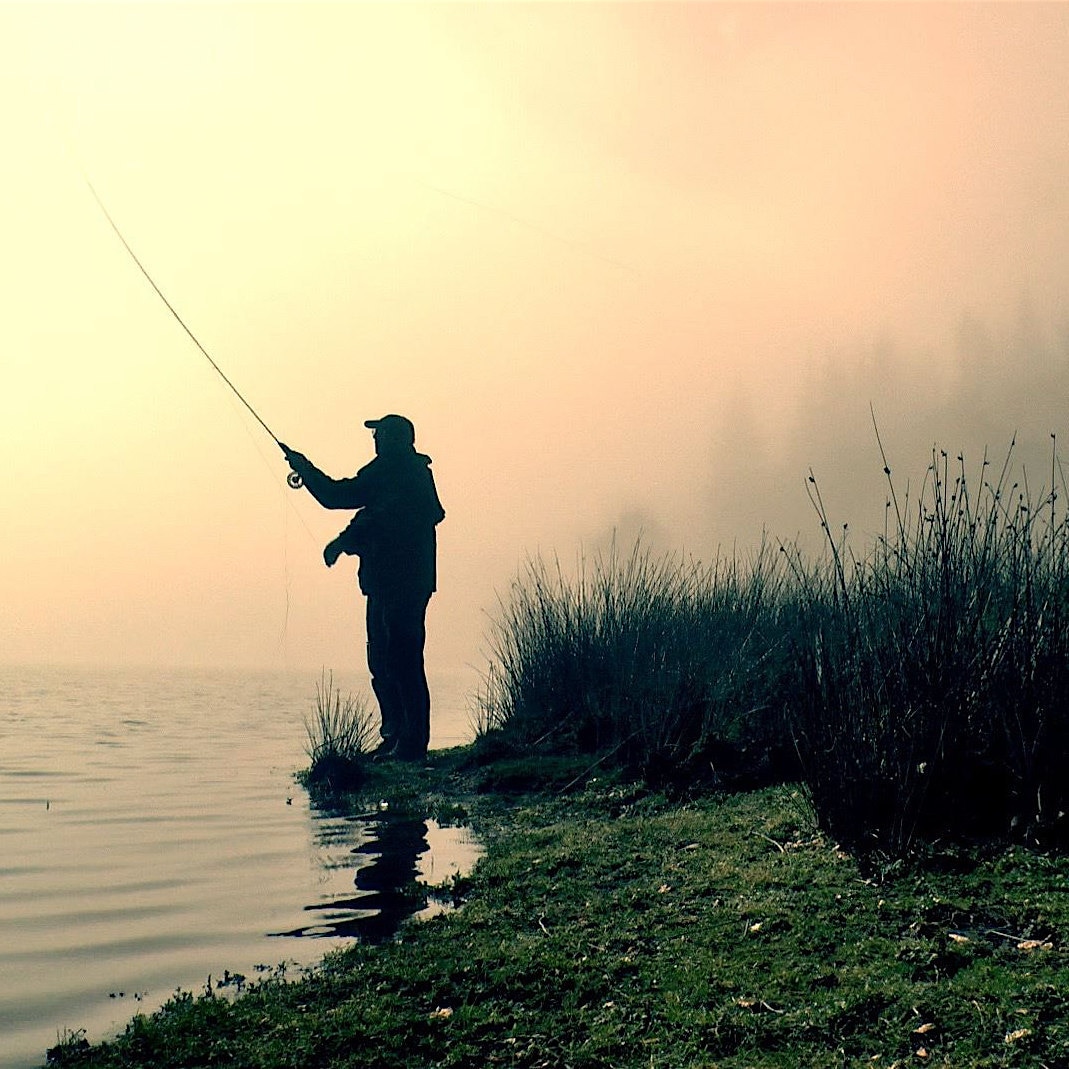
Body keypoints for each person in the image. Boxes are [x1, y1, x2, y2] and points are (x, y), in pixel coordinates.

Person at [282, 415, 445, 761]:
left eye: (381, 433)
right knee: (382, 661)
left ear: (399, 439)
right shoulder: (385, 472)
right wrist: (305, 468)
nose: (375, 439)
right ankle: (395, 736)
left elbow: (372, 514)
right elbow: (337, 496)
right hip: (384, 584)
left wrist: (343, 541)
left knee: (403, 660)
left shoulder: (407, 475)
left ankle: (412, 744)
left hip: (404, 584)